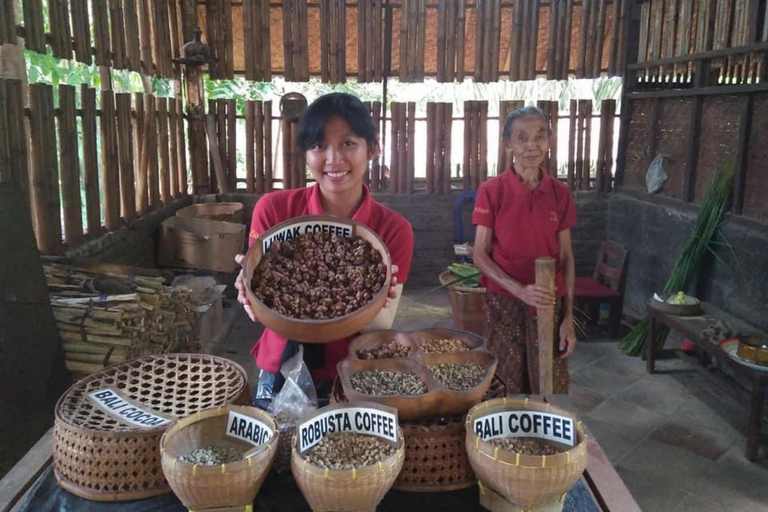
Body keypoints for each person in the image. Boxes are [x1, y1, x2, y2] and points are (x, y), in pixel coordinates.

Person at [234, 92, 414, 398]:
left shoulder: (393, 229)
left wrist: (377, 299)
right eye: (319, 146)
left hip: (351, 372)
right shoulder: (274, 210)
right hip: (280, 366)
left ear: (371, 149)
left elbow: (378, 326)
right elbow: (258, 302)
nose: (333, 159)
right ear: (305, 154)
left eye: (348, 143)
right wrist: (249, 290)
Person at [471, 106, 577, 394]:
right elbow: (480, 253)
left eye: (539, 136)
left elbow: (566, 258)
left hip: (547, 300)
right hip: (504, 300)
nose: (532, 145)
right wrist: (519, 290)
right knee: (506, 381)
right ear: (508, 145)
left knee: (549, 381)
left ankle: (546, 437)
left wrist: (568, 317)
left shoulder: (560, 193)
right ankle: (509, 438)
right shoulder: (492, 191)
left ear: (550, 141)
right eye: (522, 137)